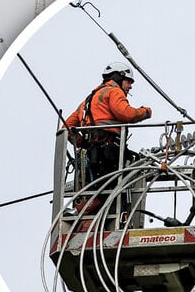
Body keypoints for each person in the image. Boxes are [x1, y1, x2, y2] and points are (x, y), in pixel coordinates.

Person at [64, 62, 152, 211]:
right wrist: (146, 111)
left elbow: (67, 127)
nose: (130, 86)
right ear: (118, 77)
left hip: (93, 154)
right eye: (128, 81)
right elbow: (125, 113)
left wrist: (82, 143)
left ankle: (85, 210)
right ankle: (82, 209)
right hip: (108, 153)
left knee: (101, 188)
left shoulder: (87, 101)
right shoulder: (114, 92)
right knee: (114, 188)